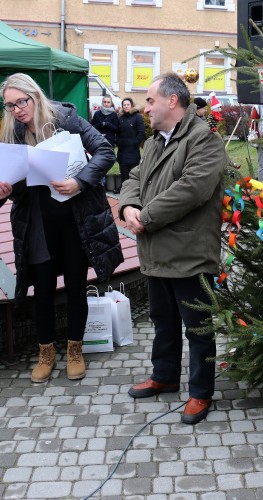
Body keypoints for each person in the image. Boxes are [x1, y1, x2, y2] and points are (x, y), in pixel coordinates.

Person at [0, 73, 123, 383]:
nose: (16, 110)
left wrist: (79, 182)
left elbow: (105, 151)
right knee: (41, 290)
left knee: (75, 287)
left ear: (35, 96)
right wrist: (5, 190)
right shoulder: (11, 133)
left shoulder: (65, 118)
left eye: (21, 102)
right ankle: (46, 353)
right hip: (37, 225)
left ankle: (74, 350)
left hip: (74, 220)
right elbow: (15, 184)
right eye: (9, 105)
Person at [119, 73, 226, 425]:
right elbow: (134, 177)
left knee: (198, 328)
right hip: (156, 251)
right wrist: (128, 207)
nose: (144, 108)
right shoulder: (154, 142)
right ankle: (164, 376)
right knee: (163, 322)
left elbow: (192, 189)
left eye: (150, 101)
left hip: (190, 255)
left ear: (172, 101)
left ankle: (200, 393)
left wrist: (145, 217)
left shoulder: (204, 140)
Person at [116, 97, 145, 188]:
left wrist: (135, 143)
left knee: (134, 173)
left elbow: (141, 132)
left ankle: (133, 190)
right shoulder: (121, 117)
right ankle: (124, 189)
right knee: (123, 172)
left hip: (133, 150)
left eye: (128, 104)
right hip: (122, 150)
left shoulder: (137, 116)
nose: (126, 106)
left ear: (131, 105)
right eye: (124, 105)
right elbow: (117, 132)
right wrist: (118, 142)